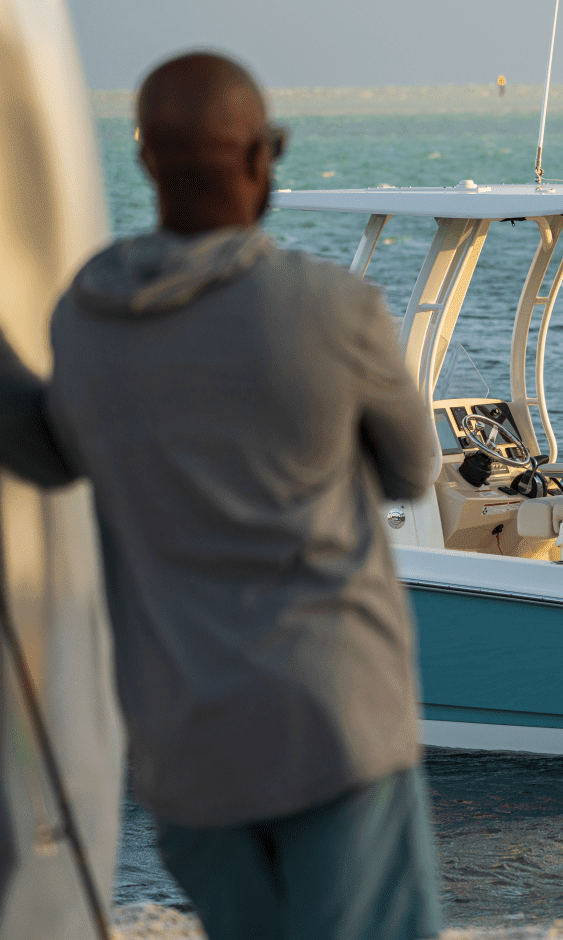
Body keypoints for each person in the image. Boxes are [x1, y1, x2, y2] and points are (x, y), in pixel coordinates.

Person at [48, 52, 441, 940]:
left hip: (184, 742)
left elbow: (60, 455)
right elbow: (413, 471)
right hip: (333, 725)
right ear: (262, 158)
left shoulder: (82, 322)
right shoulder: (331, 308)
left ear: (147, 163)